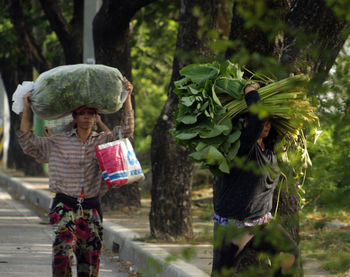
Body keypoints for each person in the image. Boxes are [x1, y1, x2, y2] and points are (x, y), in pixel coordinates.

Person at [17, 77, 134, 277]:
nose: (87, 117)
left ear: (96, 117)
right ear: (75, 117)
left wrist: (127, 96)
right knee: (62, 253)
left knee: (90, 262)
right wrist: (26, 108)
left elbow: (127, 131)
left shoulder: (103, 141)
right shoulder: (58, 142)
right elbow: (28, 142)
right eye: (82, 113)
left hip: (92, 207)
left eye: (91, 113)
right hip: (64, 206)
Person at [211, 84, 301, 277]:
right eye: (263, 122)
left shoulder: (269, 148)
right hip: (233, 225)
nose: (266, 125)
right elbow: (257, 121)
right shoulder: (242, 148)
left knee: (289, 253)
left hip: (261, 222)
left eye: (270, 122)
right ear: (245, 123)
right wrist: (250, 90)